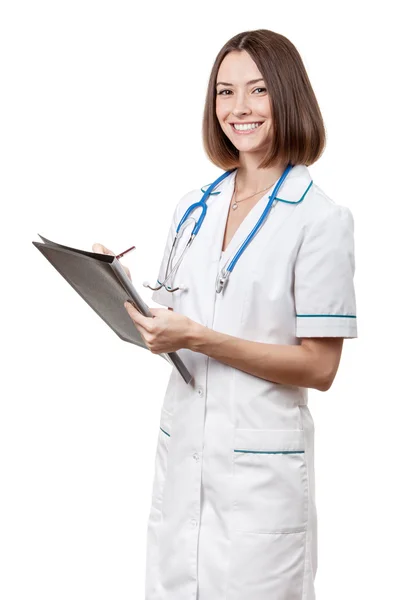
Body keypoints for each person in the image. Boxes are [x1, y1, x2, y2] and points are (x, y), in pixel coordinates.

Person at [94, 28, 357, 600]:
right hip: (184, 455)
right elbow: (177, 318)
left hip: (260, 478)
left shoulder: (319, 219)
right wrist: (115, 285)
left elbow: (320, 367)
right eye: (224, 92)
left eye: (258, 91)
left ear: (287, 97)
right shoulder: (194, 206)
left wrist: (201, 337)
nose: (239, 109)